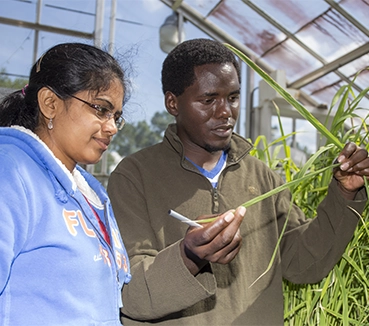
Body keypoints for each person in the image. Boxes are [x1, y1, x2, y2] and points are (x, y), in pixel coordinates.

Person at [107, 38, 369, 326]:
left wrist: (344, 193)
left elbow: (301, 264)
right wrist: (188, 256)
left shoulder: (262, 177)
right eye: (208, 100)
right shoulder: (134, 177)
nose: (225, 112)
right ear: (173, 102)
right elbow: (131, 293)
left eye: (232, 98)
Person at [0, 43, 132, 325]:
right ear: (50, 103)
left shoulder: (91, 194)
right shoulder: (12, 172)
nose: (112, 127)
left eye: (116, 116)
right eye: (101, 109)